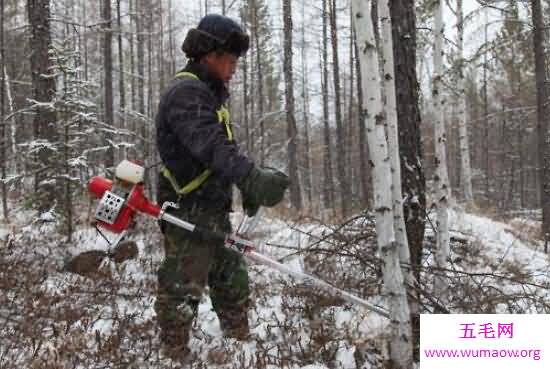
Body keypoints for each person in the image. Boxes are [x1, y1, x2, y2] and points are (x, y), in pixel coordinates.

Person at [154, 14, 290, 360]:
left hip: (213, 210)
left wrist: (243, 184)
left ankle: (239, 348)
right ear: (209, 56)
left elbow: (220, 150)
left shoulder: (206, 95)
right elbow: (210, 145)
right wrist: (251, 178)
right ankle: (173, 355)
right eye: (230, 61)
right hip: (188, 212)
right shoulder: (186, 93)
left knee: (232, 281)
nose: (233, 69)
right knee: (183, 289)